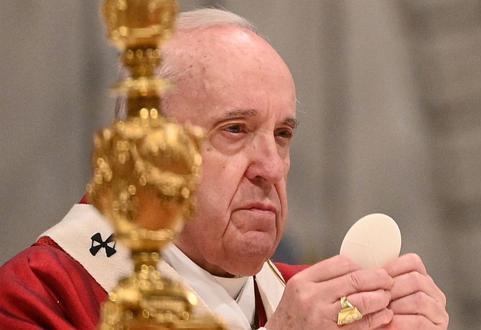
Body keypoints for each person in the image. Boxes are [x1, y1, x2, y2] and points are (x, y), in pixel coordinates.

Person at [0, 8, 448, 330]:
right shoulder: (35, 300)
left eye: (282, 135)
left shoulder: (312, 305)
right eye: (235, 130)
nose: (271, 167)